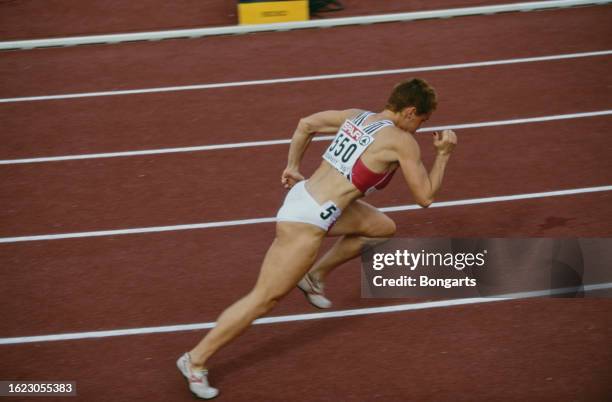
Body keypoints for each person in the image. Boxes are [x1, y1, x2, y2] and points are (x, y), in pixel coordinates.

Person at [177, 78, 457, 399]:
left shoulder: (357, 115)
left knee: (382, 228)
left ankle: (314, 276)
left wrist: (293, 166)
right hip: (306, 222)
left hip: (307, 196)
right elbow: (425, 197)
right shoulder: (402, 141)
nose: (421, 128)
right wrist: (444, 154)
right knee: (263, 299)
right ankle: (195, 360)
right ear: (410, 112)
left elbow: (306, 124)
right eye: (423, 120)